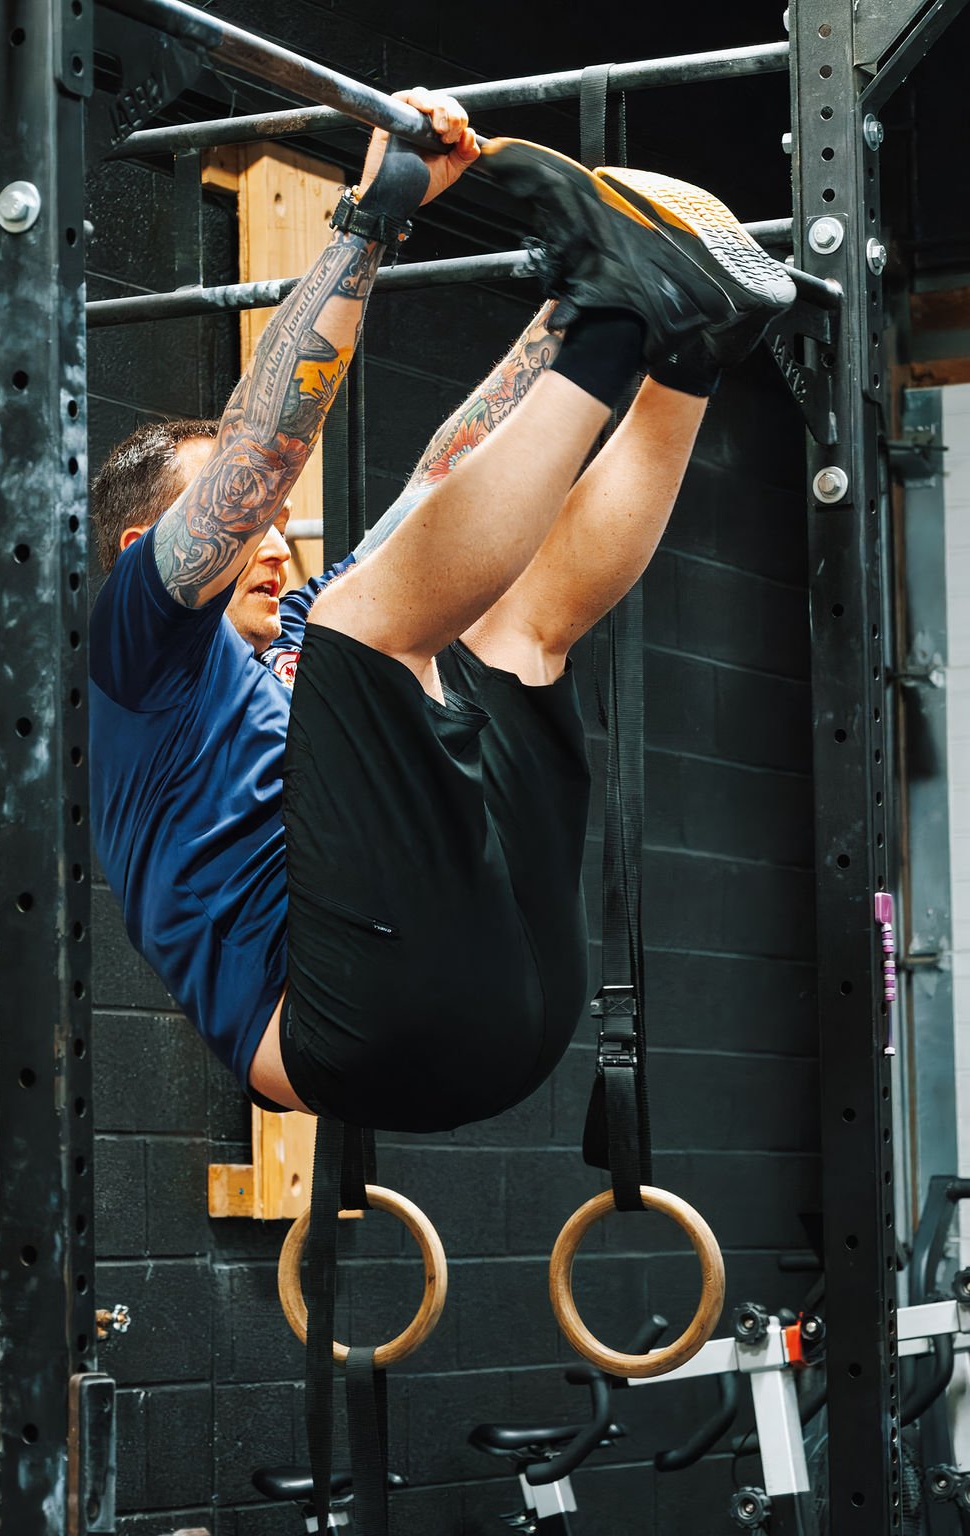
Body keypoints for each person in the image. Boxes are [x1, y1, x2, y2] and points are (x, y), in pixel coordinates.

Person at [89, 90, 794, 1134]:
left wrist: (565, 295)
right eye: (244, 526)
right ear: (144, 554)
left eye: (282, 521)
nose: (272, 535)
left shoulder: (310, 643)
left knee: (507, 631)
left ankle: (683, 355)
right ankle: (627, 314)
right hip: (353, 1028)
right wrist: (368, 223)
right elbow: (259, 445)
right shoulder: (138, 658)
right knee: (366, 628)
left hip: (506, 1004)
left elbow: (444, 483)